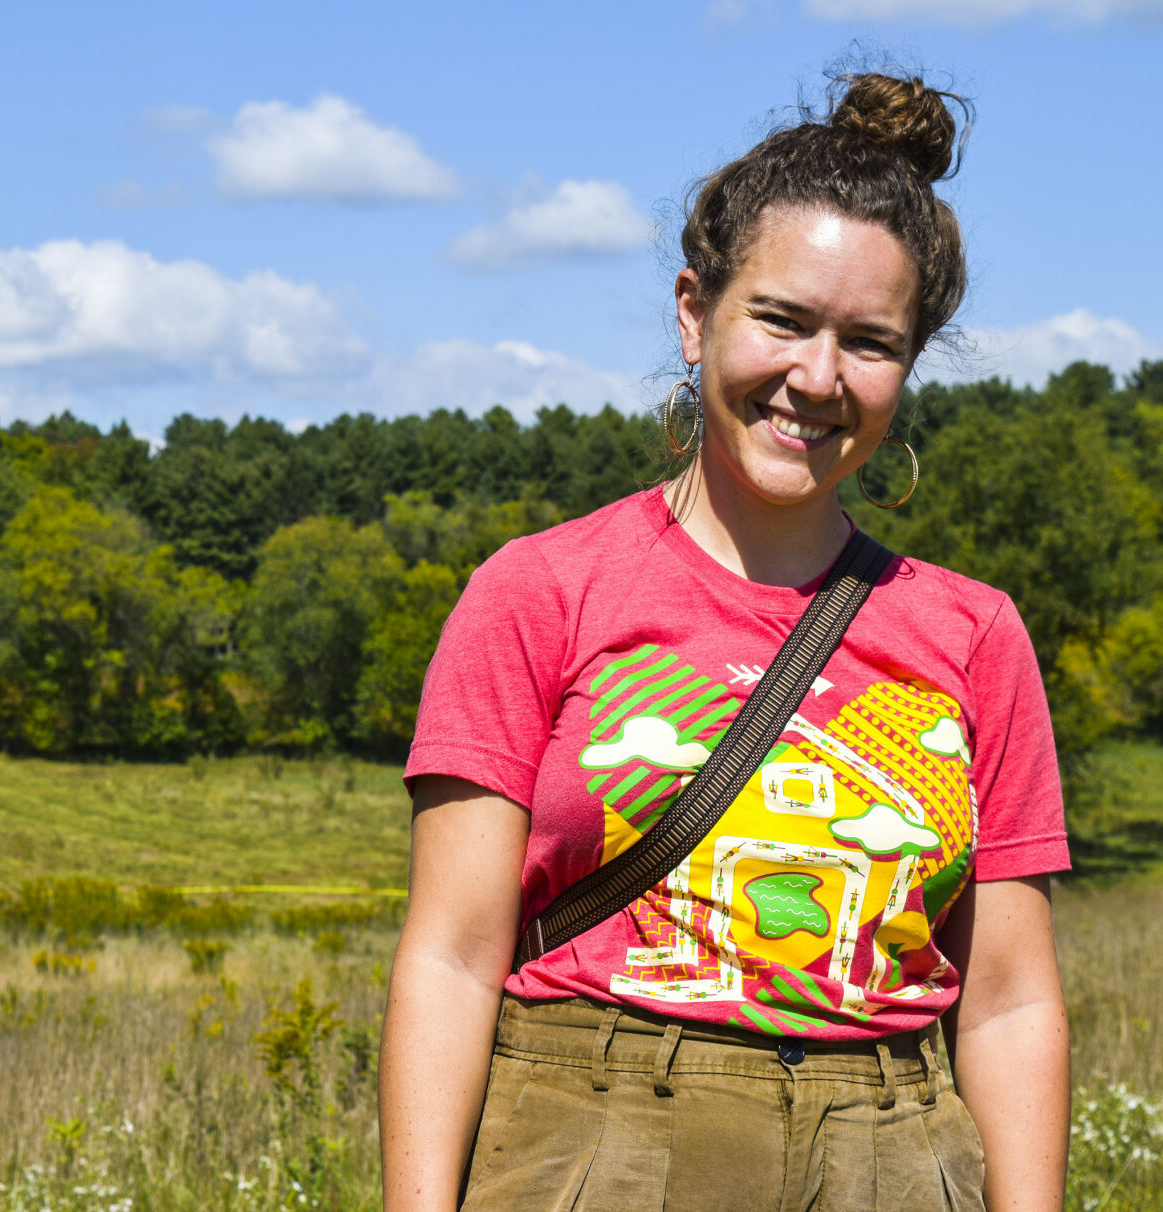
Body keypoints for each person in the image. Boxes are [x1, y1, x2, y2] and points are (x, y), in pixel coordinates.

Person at [379, 71, 1071, 1212]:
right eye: (784, 320)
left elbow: (1008, 1000)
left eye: (871, 342)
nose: (819, 377)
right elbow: (452, 956)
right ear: (695, 311)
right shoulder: (541, 591)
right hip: (594, 1145)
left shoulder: (975, 633)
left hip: (893, 1157)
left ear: (909, 367)